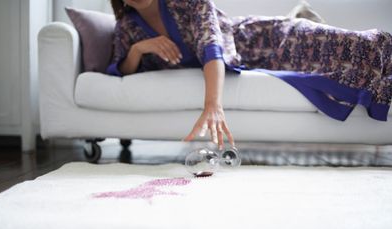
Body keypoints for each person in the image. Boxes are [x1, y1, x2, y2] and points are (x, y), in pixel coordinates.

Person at [107, 0, 392, 150]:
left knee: (364, 46)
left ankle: (299, 21)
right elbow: (121, 70)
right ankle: (300, 16)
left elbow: (212, 47)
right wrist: (138, 49)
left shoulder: (188, 2)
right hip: (253, 61)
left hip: (261, 38)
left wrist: (213, 105)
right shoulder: (126, 28)